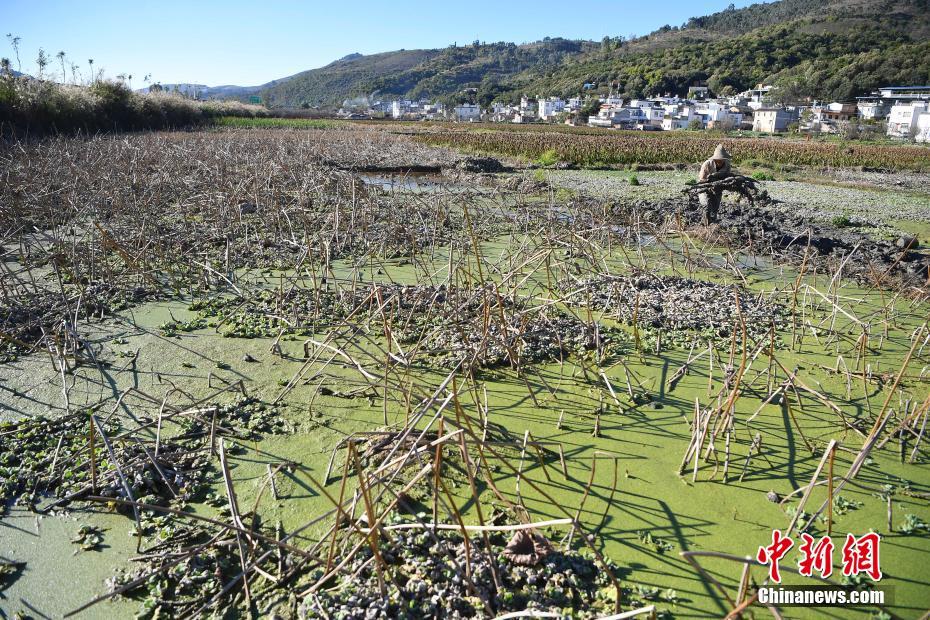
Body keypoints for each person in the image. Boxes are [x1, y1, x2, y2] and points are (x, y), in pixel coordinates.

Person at [697, 144, 732, 224]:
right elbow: (702, 179)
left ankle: (713, 225)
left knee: (715, 209)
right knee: (706, 206)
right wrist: (710, 183)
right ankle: (705, 225)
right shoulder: (707, 164)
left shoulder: (727, 165)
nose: (720, 161)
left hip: (718, 188)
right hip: (704, 187)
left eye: (722, 159)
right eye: (718, 159)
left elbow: (727, 177)